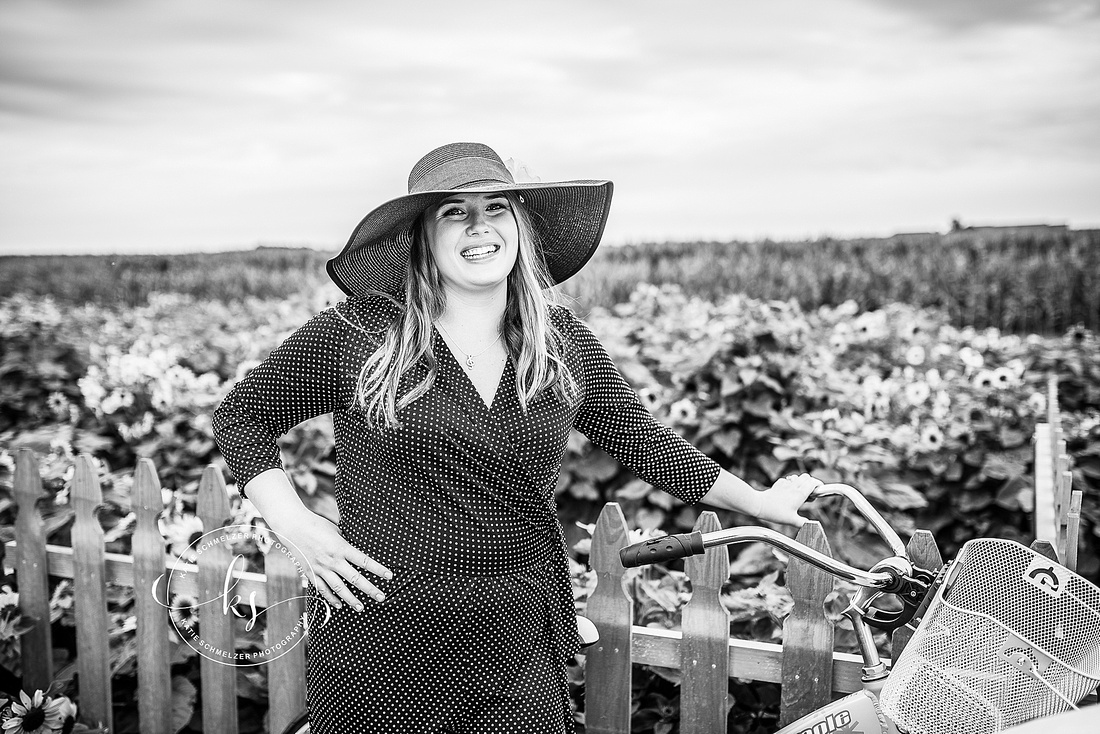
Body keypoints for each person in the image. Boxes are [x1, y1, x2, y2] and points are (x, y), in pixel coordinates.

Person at [211, 142, 821, 734]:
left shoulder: (561, 343)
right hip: (383, 632)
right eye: (455, 212)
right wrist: (294, 524)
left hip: (517, 638)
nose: (480, 226)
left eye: (496, 207)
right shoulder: (361, 334)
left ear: (520, 226)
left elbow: (647, 442)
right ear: (423, 236)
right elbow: (241, 418)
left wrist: (761, 505)